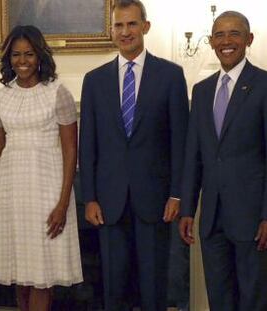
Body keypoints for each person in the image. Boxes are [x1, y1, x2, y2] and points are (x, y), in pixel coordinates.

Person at [79, 0, 189, 309]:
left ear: (145, 27)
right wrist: (89, 197)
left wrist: (177, 194)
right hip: (108, 203)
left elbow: (180, 141)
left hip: (156, 201)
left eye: (131, 24)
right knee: (113, 288)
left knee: (153, 287)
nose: (125, 32)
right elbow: (88, 144)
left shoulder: (170, 76)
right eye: (119, 25)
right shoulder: (94, 80)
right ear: (111, 31)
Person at [0, 25, 83, 311]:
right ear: (9, 58)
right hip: (13, 193)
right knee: (21, 270)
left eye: (28, 54)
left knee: (43, 273)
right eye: (16, 55)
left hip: (48, 189)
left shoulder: (58, 92)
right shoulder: (1, 97)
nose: (22, 61)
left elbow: (70, 150)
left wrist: (63, 202)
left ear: (40, 55)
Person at [179, 11, 267, 310]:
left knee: (254, 299)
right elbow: (195, 156)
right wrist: (188, 209)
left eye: (234, 34)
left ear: (249, 39)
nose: (226, 41)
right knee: (220, 299)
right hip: (212, 218)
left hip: (252, 218)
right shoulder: (201, 91)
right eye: (219, 35)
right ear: (211, 41)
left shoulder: (264, 85)